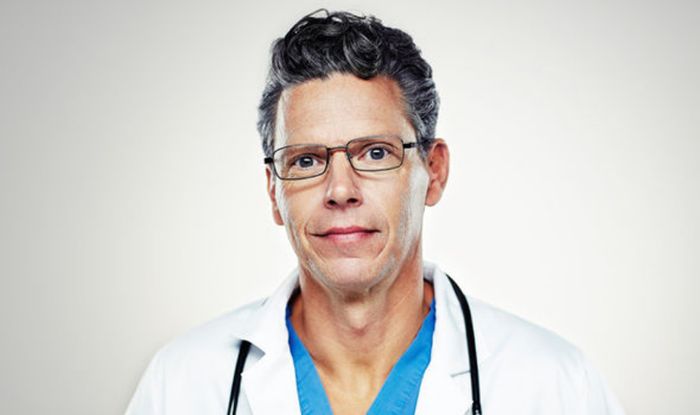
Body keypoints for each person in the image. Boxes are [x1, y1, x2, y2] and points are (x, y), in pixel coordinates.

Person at [126, 10, 625, 415]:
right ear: (274, 192)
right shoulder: (185, 384)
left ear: (433, 172)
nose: (340, 189)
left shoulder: (555, 385)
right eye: (306, 160)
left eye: (376, 153)